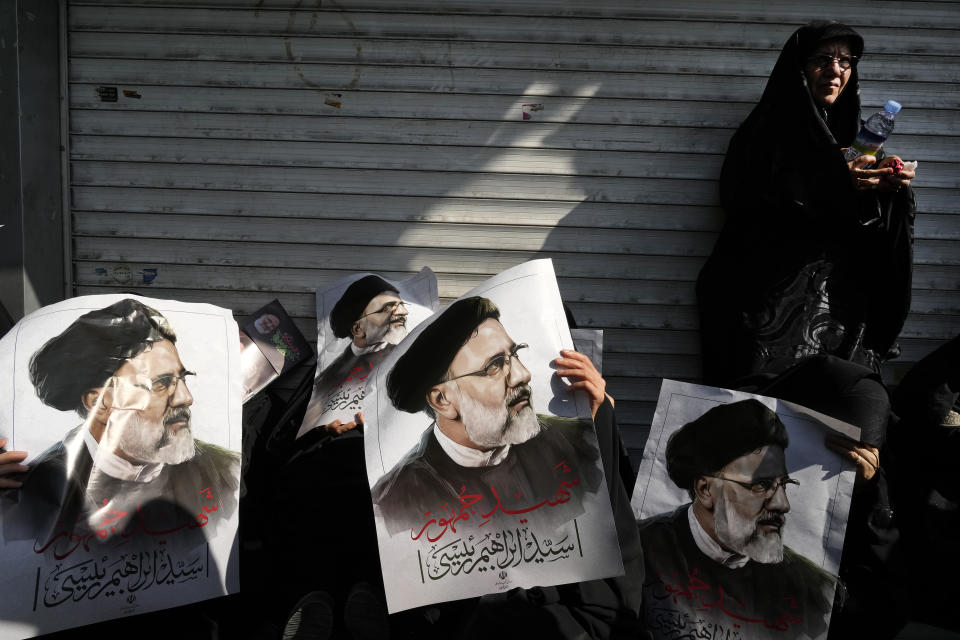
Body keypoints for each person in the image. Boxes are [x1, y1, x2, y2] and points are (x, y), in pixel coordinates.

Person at [697, 20, 917, 388]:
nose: (835, 70)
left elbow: (868, 226)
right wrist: (833, 185)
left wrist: (890, 188)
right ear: (798, 67)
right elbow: (748, 208)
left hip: (839, 313)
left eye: (846, 60)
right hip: (768, 309)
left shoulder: (856, 136)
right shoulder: (763, 136)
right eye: (823, 58)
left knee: (830, 425)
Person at [0, 298, 239, 545]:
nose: (186, 398)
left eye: (183, 379)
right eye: (161, 384)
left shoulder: (222, 471)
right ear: (100, 403)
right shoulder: (35, 486)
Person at [371, 296, 604, 537]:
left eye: (515, 354)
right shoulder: (395, 501)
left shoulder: (572, 440)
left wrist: (600, 417)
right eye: (494, 366)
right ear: (443, 400)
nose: (522, 375)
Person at [638, 399, 836, 640]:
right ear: (705, 489)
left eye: (783, 485)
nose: (783, 504)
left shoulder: (814, 589)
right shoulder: (636, 551)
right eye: (761, 485)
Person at [297, 275, 409, 440]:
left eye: (401, 305)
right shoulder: (326, 376)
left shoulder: (407, 359)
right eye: (387, 308)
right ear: (357, 329)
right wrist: (321, 428)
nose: (403, 312)